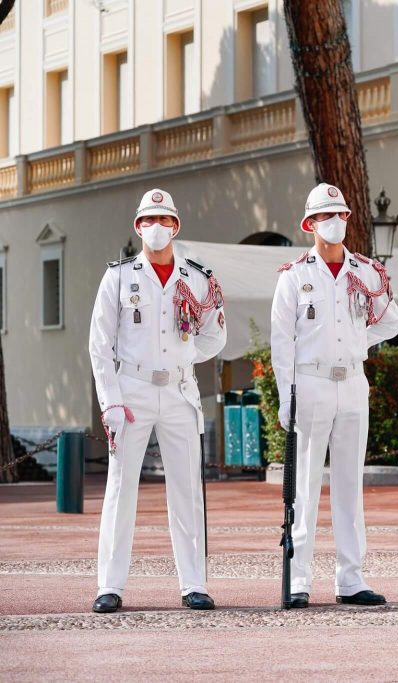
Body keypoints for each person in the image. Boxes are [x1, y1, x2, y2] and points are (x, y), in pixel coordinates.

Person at [89, 188, 226, 613]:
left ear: (176, 227)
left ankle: (194, 584)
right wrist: (110, 400)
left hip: (180, 392)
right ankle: (109, 586)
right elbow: (99, 344)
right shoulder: (119, 276)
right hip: (132, 392)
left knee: (186, 490)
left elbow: (215, 335)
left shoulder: (197, 278)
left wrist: (184, 360)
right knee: (120, 490)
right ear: (137, 227)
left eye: (164, 220)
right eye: (148, 221)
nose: (156, 228)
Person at [271, 183, 398, 608]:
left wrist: (359, 340)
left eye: (342, 215)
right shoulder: (295, 276)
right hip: (310, 382)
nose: (336, 222)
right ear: (310, 224)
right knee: (305, 485)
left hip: (351, 383)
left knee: (350, 484)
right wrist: (285, 399)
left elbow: (392, 321)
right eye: (327, 216)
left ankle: (351, 578)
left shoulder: (365, 272)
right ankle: (298, 580)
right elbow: (281, 344)